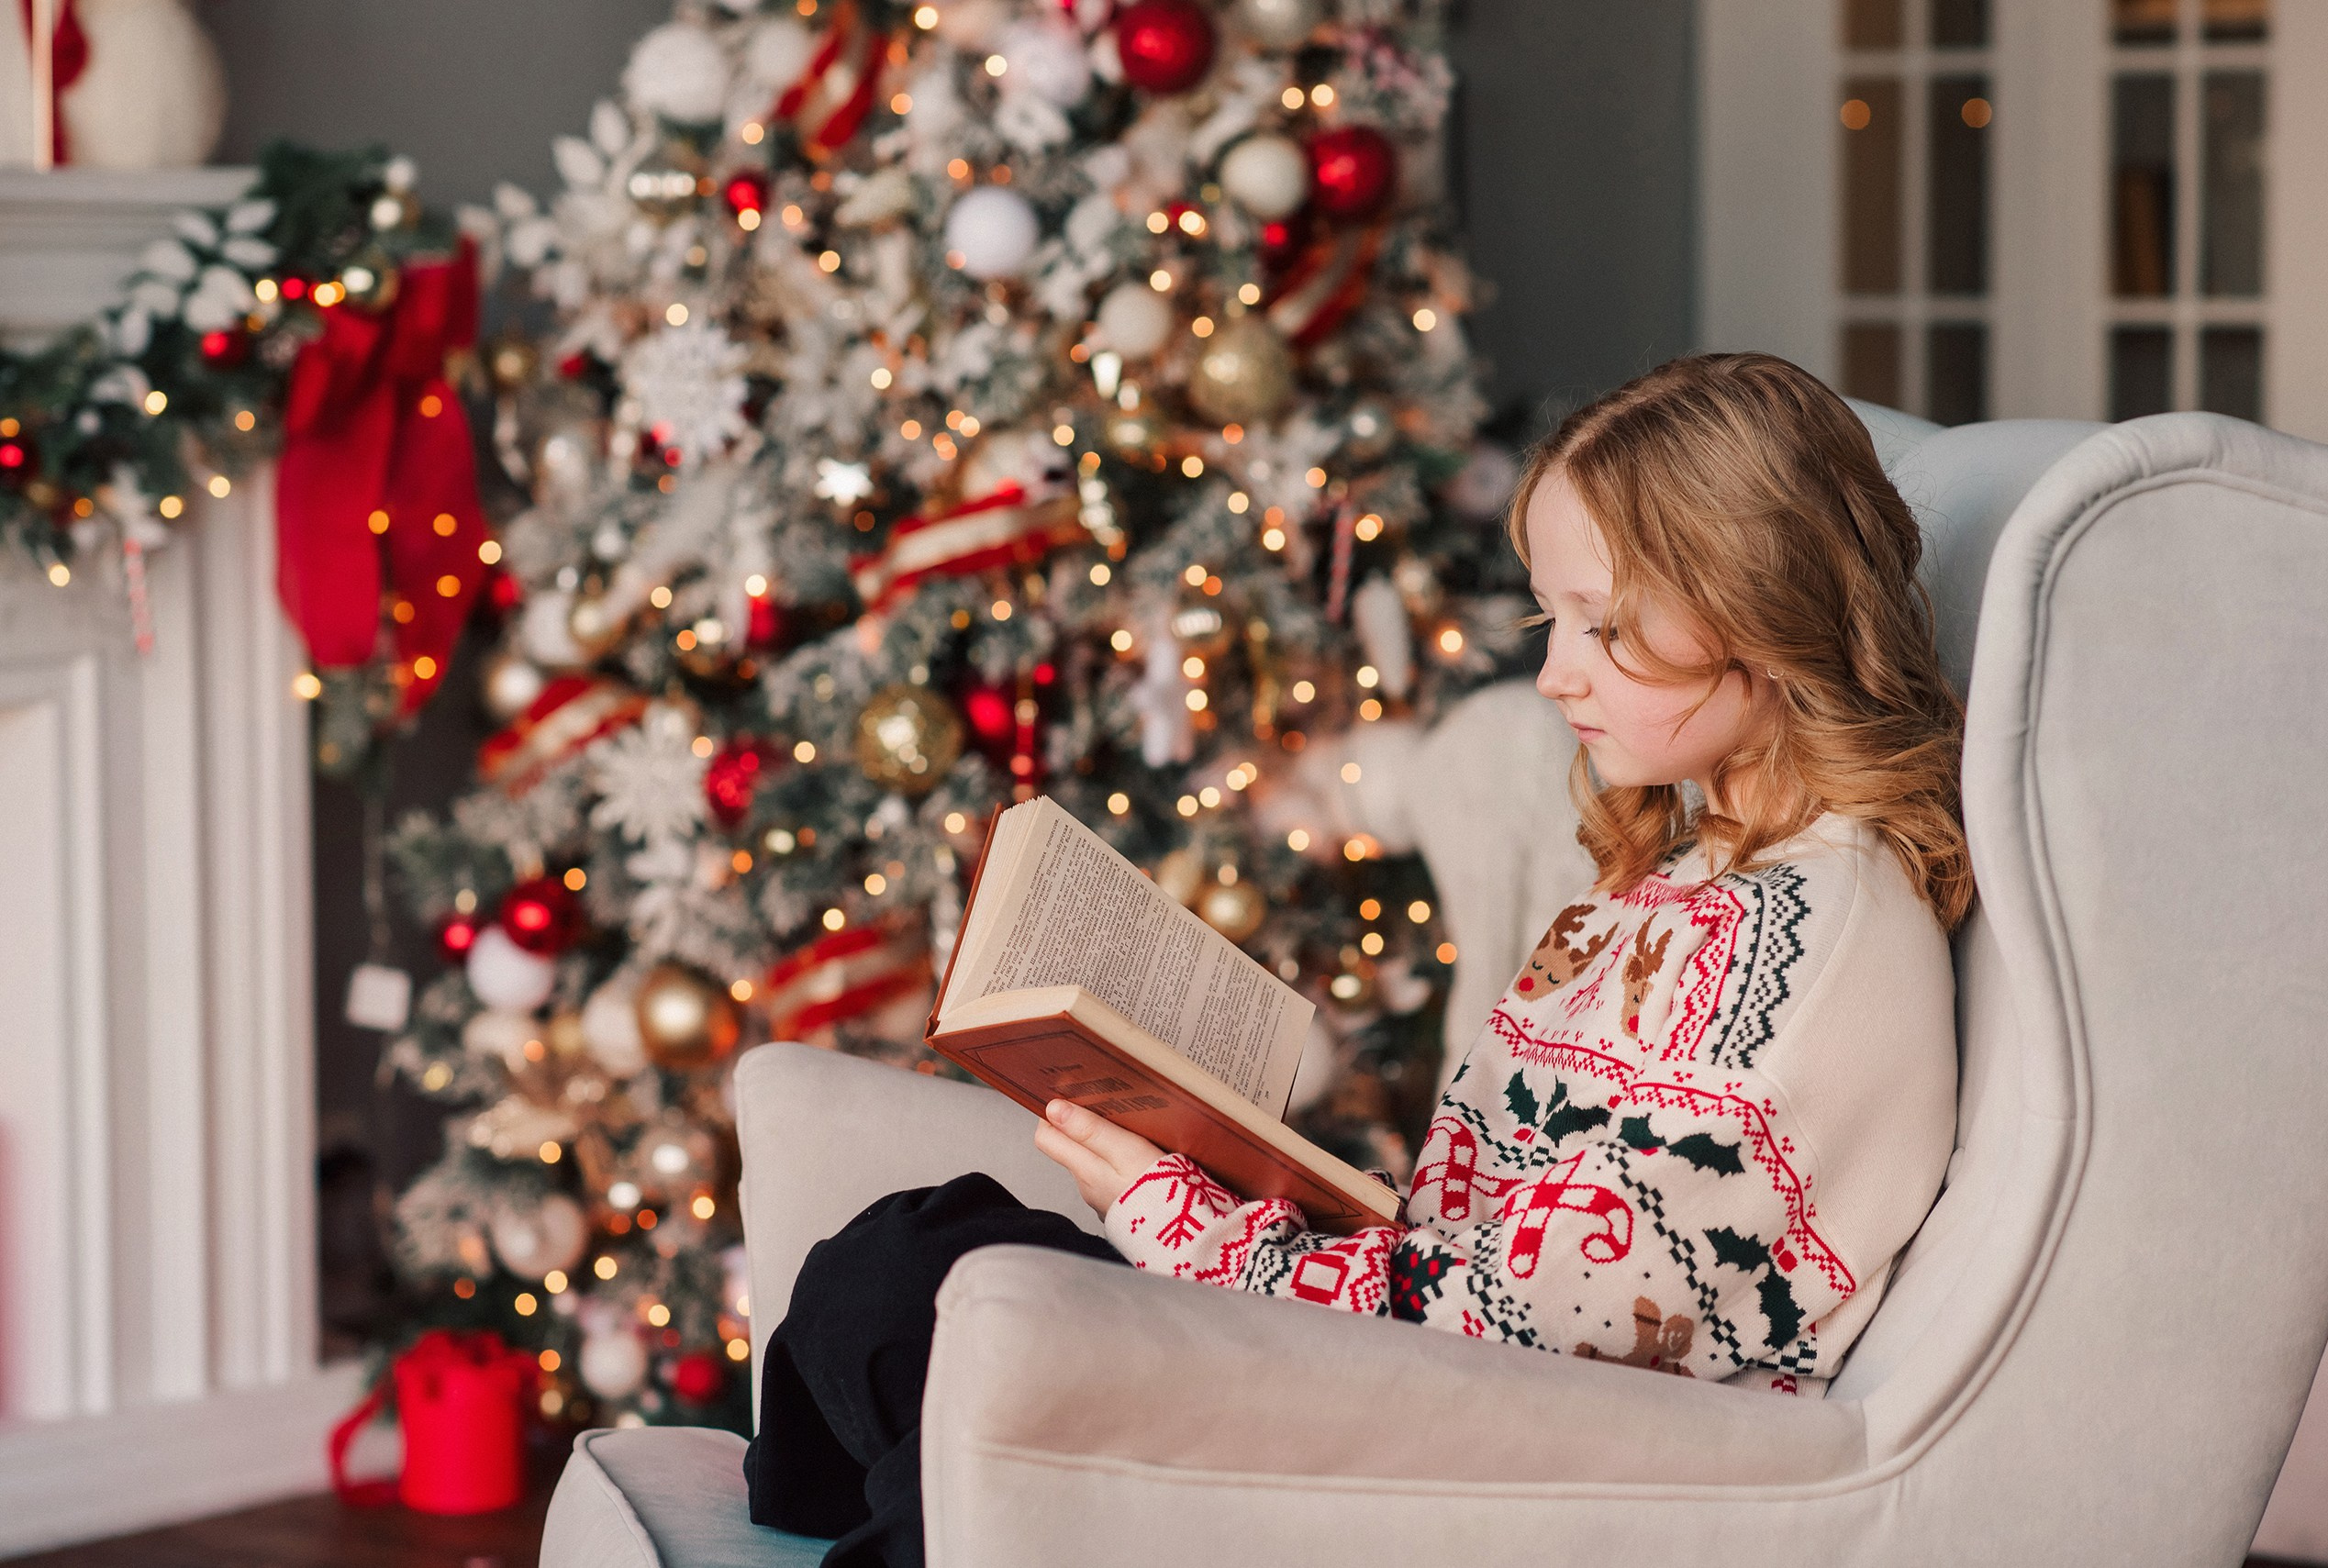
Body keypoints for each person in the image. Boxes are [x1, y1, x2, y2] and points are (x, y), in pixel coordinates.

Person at [744, 352, 1969, 1563]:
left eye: (1604, 624)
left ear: (1763, 602)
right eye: (1554, 618)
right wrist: (1238, 1179)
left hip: (1477, 1461)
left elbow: (1521, 1341)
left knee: (970, 1328)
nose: (1554, 673)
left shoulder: (1815, 955)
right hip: (1401, 1376)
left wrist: (1188, 1225)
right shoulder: (1695, 868)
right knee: (915, 1259)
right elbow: (1474, 1230)